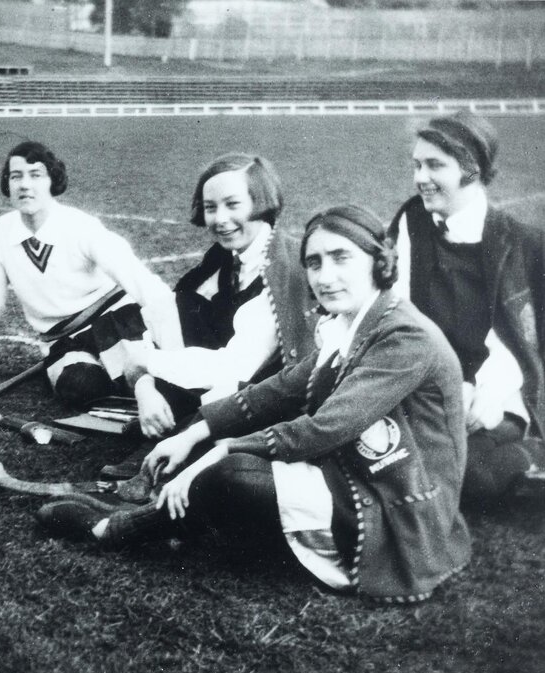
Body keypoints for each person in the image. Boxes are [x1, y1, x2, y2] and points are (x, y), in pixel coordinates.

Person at [35, 205, 471, 603]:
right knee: (221, 455)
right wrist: (195, 434)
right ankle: (157, 520)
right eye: (314, 263)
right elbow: (280, 389)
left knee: (231, 471)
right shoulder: (353, 321)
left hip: (401, 508)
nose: (324, 276)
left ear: (378, 261)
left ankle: (116, 529)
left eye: (341, 258)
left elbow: (325, 428)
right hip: (359, 473)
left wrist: (225, 448)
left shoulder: (402, 335)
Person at [0, 140, 182, 409]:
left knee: (152, 384)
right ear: (8, 184)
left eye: (35, 175)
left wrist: (176, 354)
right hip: (62, 340)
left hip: (115, 322)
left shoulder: (80, 226)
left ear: (52, 181)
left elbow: (144, 284)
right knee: (81, 388)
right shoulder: (2, 231)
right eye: (16, 176)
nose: (25, 184)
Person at [389, 110, 545, 510]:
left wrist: (484, 394)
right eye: (417, 165)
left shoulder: (525, 244)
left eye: (435, 165)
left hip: (491, 396)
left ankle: (535, 454)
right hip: (427, 386)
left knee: (469, 477)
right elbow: (397, 312)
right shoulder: (411, 222)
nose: (420, 177)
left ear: (472, 169)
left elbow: (525, 344)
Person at [120, 153, 315, 439]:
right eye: (210, 207)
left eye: (233, 204)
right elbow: (168, 316)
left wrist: (146, 362)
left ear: (261, 202)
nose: (220, 219)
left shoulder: (283, 267)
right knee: (186, 305)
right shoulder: (224, 258)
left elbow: (236, 367)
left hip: (275, 397)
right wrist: (144, 387)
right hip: (234, 379)